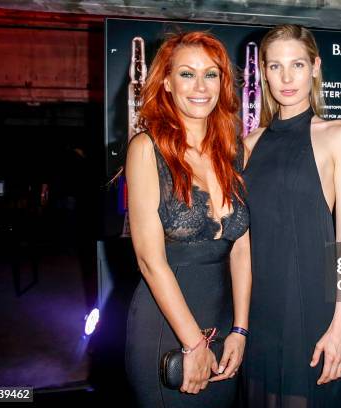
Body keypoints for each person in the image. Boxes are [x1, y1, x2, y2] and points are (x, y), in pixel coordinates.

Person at [124, 32, 251, 407]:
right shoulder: (147, 148)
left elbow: (241, 248)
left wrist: (240, 329)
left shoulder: (233, 151)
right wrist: (194, 343)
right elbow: (150, 260)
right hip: (165, 328)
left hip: (225, 320)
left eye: (211, 74)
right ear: (166, 81)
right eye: (186, 74)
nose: (200, 87)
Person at [243, 24, 341, 407]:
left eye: (296, 64)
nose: (286, 77)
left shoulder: (338, 135)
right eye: (275, 67)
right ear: (263, 71)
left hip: (313, 303)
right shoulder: (247, 145)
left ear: (315, 66)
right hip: (258, 305)